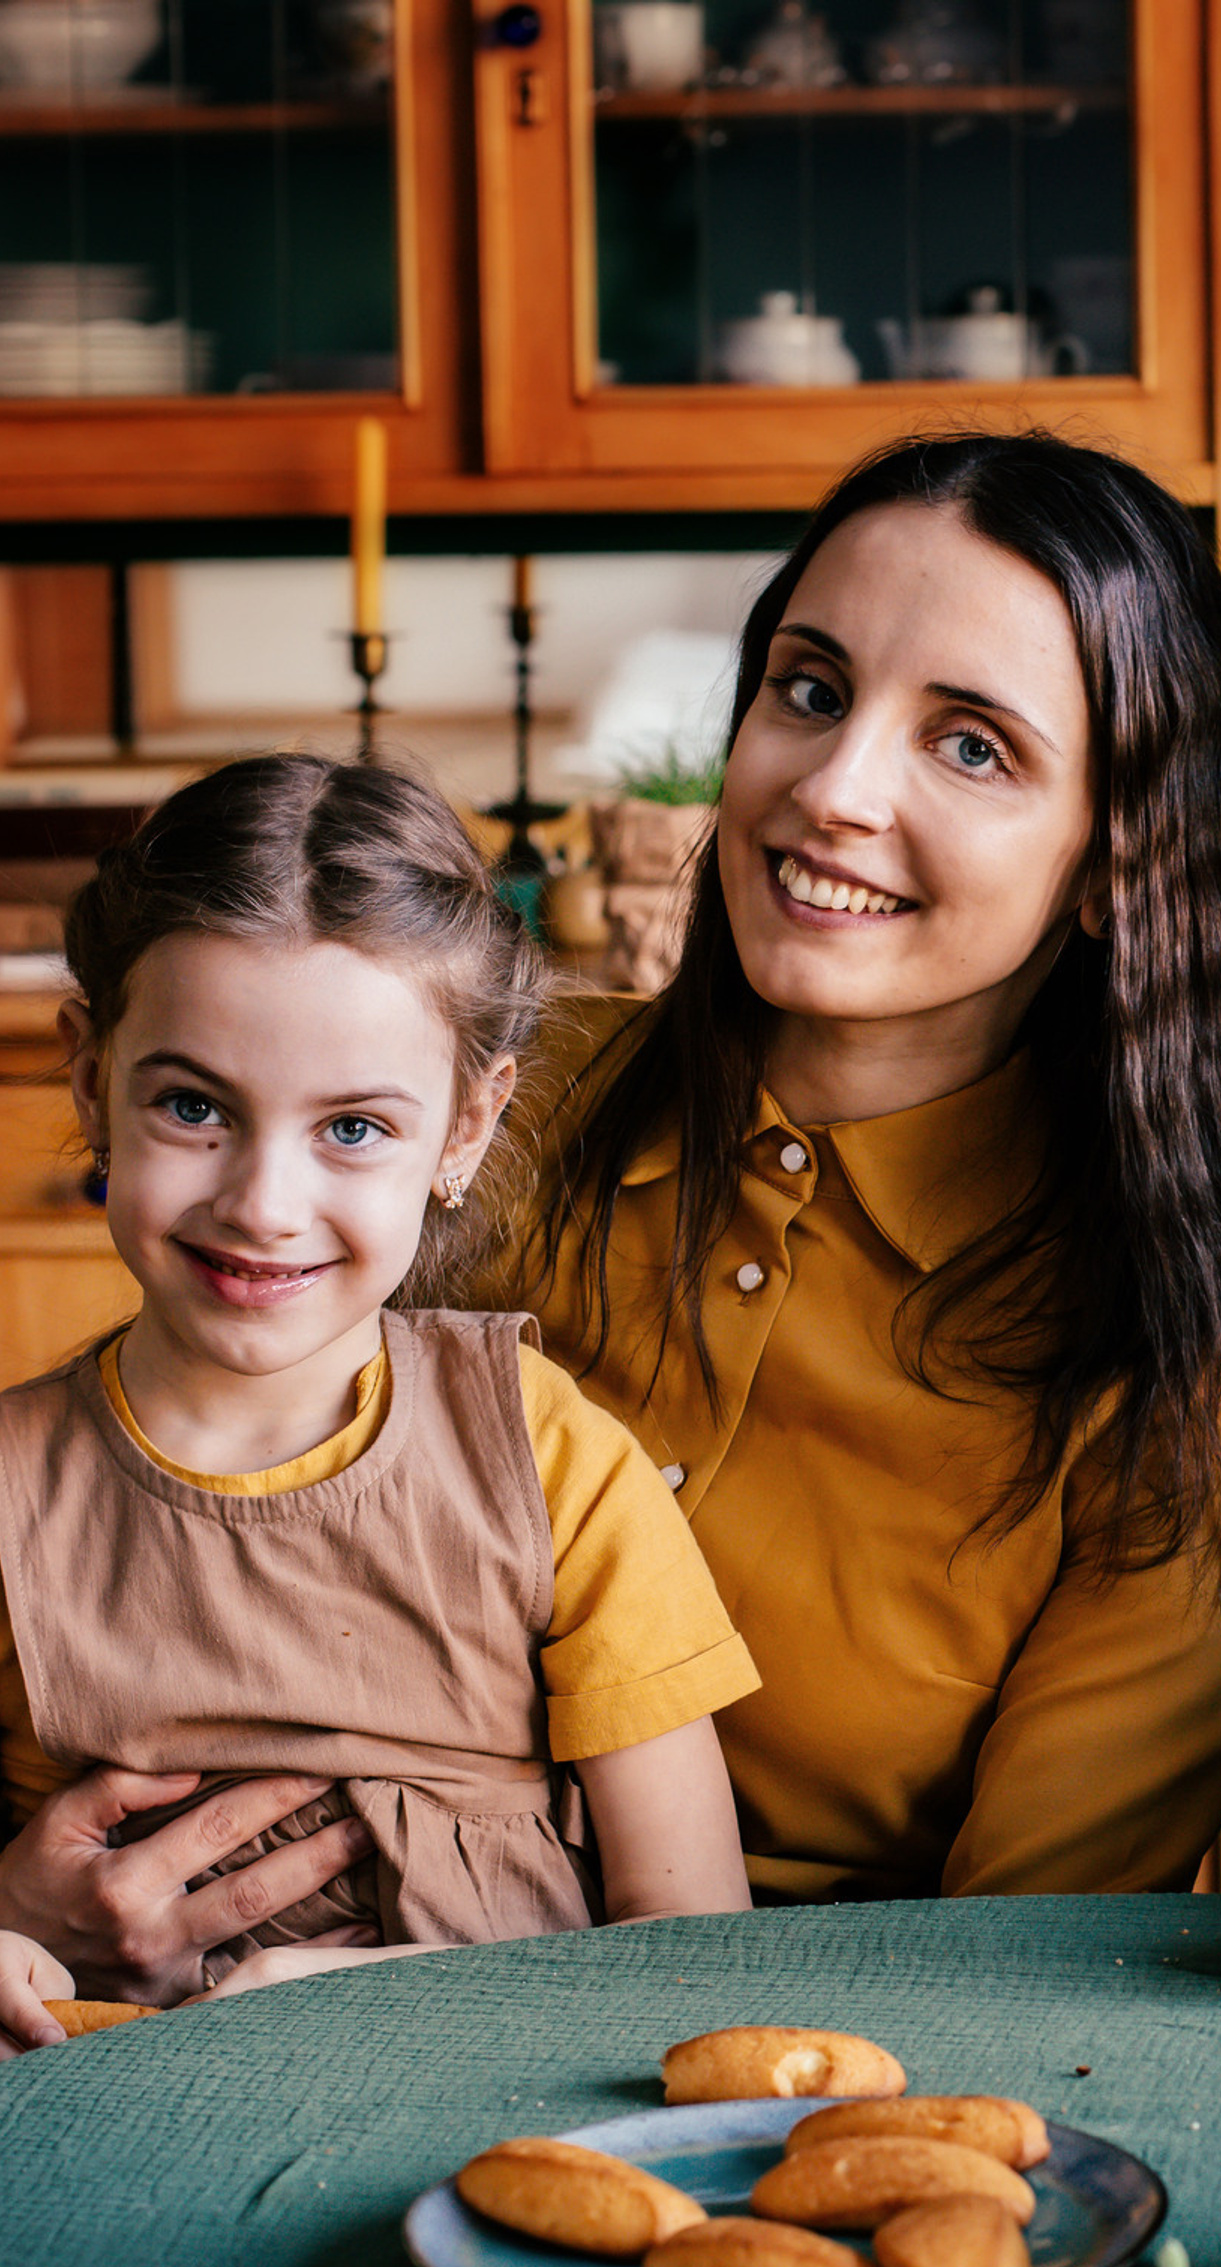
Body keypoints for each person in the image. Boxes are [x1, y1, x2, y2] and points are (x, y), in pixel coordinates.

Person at [0, 434, 1221, 1996]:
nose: (832, 789)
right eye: (810, 690)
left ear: (1116, 860)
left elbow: (1021, 1985)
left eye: (972, 747)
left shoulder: (1177, 1363)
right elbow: (127, 1550)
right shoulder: (473, 1101)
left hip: (798, 2085)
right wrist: (35, 1909)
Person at [0, 755, 755, 2055]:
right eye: (193, 1106)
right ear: (91, 1082)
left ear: (466, 1129)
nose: (263, 1203)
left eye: (352, 1129)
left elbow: (696, 1954)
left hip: (501, 2120)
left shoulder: (553, 1462)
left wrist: (381, 2005)